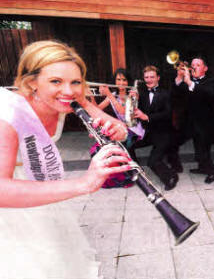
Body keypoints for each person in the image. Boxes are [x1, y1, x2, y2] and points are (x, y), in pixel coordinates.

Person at [0, 40, 131, 278]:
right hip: (12, 208)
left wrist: (118, 130)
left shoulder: (69, 97)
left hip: (44, 194)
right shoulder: (7, 114)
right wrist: (84, 184)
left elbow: (116, 126)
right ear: (32, 82)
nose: (69, 91)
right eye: (55, 81)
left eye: (75, 82)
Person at [89, 68, 145, 188]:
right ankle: (126, 173)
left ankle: (129, 174)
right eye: (118, 79)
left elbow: (123, 112)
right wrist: (91, 97)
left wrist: (109, 94)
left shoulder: (133, 94)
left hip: (133, 129)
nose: (121, 82)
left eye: (124, 80)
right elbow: (96, 110)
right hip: (121, 128)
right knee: (106, 143)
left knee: (118, 144)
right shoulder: (113, 95)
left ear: (128, 81)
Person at [130, 65, 179, 190]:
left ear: (158, 78)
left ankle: (171, 177)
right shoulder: (142, 94)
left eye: (152, 77)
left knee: (152, 161)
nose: (149, 79)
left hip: (164, 134)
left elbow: (167, 114)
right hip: (149, 133)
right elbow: (134, 110)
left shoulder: (166, 94)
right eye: (146, 77)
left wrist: (146, 117)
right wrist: (132, 99)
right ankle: (136, 172)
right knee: (128, 145)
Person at [174, 55, 214, 184]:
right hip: (189, 121)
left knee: (203, 149)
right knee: (178, 142)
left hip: (205, 122)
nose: (194, 67)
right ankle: (201, 167)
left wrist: (189, 82)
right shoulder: (187, 81)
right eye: (192, 65)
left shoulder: (211, 81)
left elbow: (209, 94)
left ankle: (212, 171)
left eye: (198, 65)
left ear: (205, 68)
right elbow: (176, 93)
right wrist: (179, 77)